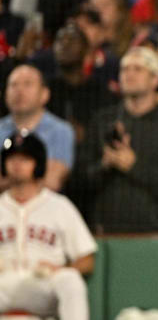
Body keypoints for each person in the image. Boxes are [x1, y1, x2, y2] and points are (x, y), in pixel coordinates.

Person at [82, 46, 158, 233]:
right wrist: (105, 164)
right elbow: (81, 178)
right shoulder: (102, 121)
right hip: (108, 231)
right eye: (125, 69)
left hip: (157, 232)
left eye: (138, 69)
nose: (129, 74)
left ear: (155, 79)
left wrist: (134, 166)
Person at [0, 130, 96, 320]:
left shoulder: (59, 205)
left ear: (38, 164)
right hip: (3, 283)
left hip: (41, 284)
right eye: (12, 159)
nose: (17, 164)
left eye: (25, 159)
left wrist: (62, 270)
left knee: (71, 280)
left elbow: (87, 259)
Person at [0, 64, 74, 191]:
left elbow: (52, 182)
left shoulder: (61, 131)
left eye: (27, 84)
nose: (20, 91)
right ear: (5, 95)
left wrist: (9, 179)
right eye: (13, 85)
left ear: (45, 94)